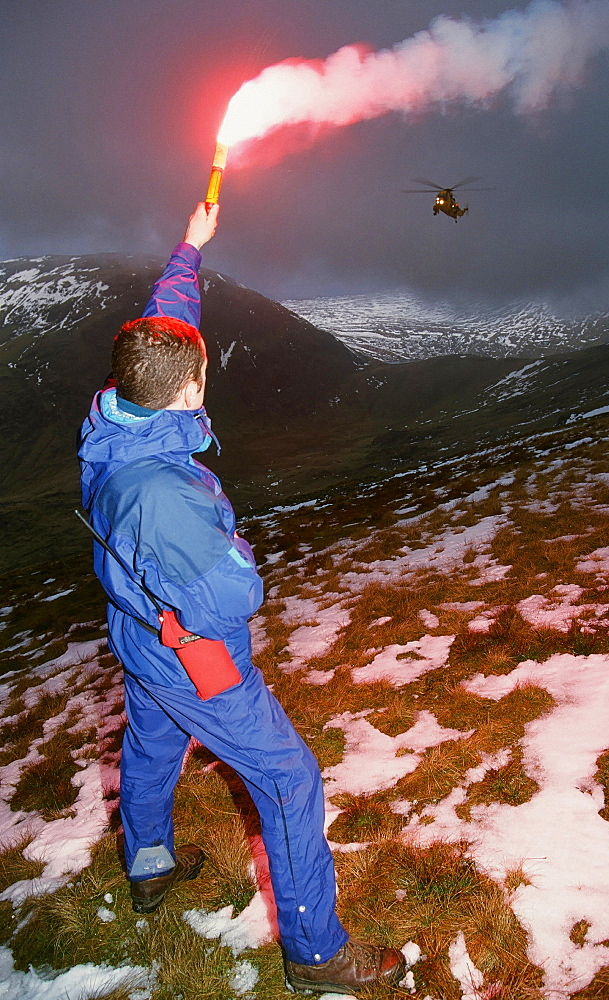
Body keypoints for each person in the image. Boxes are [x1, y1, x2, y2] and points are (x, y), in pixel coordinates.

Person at [77, 203, 406, 995]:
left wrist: (191, 245)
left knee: (153, 746)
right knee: (290, 780)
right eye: (202, 373)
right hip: (197, 658)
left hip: (141, 639)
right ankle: (316, 953)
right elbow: (232, 598)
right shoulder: (163, 496)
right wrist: (233, 549)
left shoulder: (121, 410)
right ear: (189, 390)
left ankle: (150, 864)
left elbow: (166, 320)